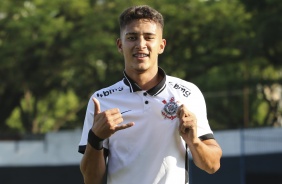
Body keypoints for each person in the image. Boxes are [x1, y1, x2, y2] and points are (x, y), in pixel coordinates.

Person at [78, 5, 222, 184]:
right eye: (132, 37)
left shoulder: (187, 93)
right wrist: (96, 138)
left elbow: (212, 165)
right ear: (120, 45)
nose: (140, 45)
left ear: (161, 45)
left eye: (149, 37)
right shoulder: (101, 100)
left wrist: (194, 141)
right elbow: (91, 180)